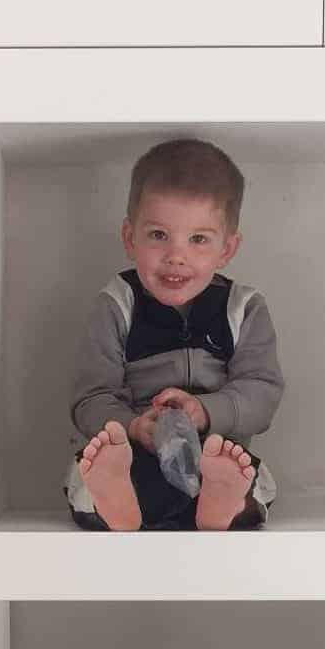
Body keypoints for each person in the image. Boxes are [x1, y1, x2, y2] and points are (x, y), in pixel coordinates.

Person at [66, 138, 284, 531]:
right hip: (134, 457)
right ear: (130, 238)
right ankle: (117, 502)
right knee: (83, 476)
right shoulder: (117, 305)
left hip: (212, 455)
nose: (176, 256)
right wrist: (132, 426)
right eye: (158, 235)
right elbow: (91, 399)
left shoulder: (243, 308)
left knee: (259, 481)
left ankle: (223, 504)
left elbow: (262, 393)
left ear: (227, 248)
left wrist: (206, 411)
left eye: (198, 239)